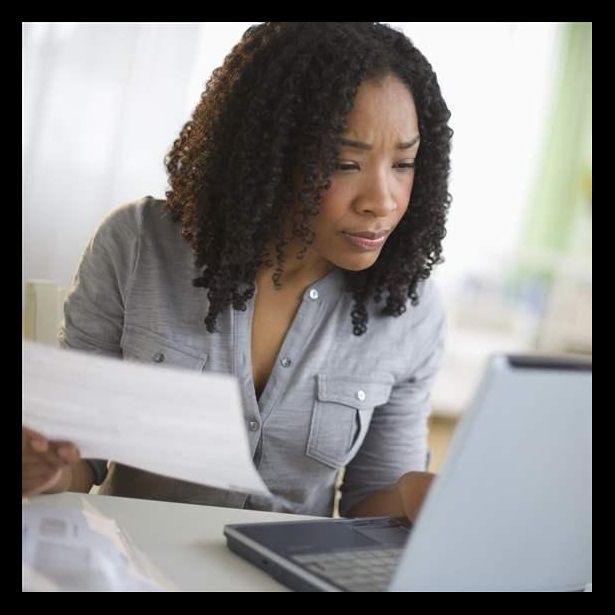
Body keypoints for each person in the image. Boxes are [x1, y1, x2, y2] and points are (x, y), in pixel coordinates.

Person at [22, 22, 453, 522]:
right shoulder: (139, 245)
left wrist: (420, 498)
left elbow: (367, 504)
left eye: (404, 163)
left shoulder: (411, 312)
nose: (382, 201)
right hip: (135, 567)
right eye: (344, 163)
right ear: (270, 150)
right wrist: (47, 469)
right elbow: (80, 460)